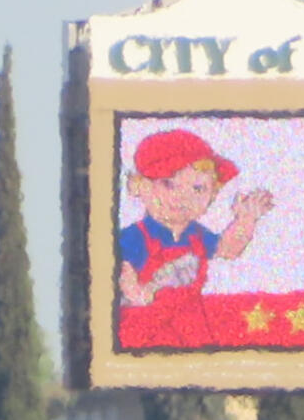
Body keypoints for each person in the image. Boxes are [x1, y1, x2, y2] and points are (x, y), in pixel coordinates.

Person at [117, 127, 274, 340]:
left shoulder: (197, 235)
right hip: (148, 324)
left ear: (212, 195)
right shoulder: (134, 237)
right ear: (140, 186)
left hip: (192, 325)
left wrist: (246, 219)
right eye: (169, 184)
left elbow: (228, 249)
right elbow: (123, 277)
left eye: (198, 189)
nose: (183, 197)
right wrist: (140, 297)